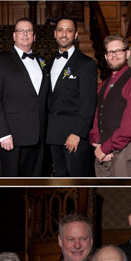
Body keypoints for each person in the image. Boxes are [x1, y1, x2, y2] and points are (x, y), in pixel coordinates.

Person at [0, 17, 47, 176]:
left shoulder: (42, 62)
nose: (25, 34)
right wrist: (3, 134)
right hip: (12, 137)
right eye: (21, 30)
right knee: (11, 186)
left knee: (34, 186)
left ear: (34, 36)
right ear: (14, 36)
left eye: (29, 31)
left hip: (38, 137)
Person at [43, 16, 97, 177]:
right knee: (60, 181)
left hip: (74, 136)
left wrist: (77, 133)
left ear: (76, 34)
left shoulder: (86, 64)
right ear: (54, 34)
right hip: (53, 134)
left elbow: (89, 103)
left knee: (77, 183)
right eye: (60, 30)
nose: (64, 34)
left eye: (69, 30)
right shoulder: (48, 63)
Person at [90, 35, 131, 177]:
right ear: (105, 56)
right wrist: (97, 142)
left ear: (127, 53)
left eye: (119, 51)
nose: (114, 55)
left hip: (127, 151)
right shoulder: (104, 84)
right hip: (103, 153)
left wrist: (106, 148)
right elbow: (99, 115)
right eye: (110, 52)